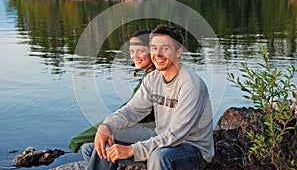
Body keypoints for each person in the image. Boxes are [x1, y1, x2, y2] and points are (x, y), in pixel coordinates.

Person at [82, 24, 214, 170]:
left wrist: (133, 150)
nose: (157, 54)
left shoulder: (191, 85)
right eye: (154, 48)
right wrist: (106, 126)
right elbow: (132, 110)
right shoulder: (153, 78)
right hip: (160, 139)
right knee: (108, 141)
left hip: (192, 148)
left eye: (165, 48)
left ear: (178, 52)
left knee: (159, 156)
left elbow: (177, 133)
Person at [68, 29, 155, 153]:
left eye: (140, 51)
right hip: (144, 130)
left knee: (90, 148)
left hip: (156, 135)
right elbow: (128, 110)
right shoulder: (149, 75)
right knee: (90, 147)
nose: (135, 56)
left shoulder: (154, 78)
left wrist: (77, 140)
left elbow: (130, 113)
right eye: (132, 51)